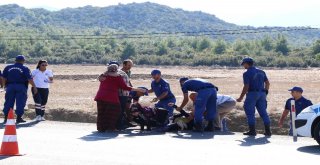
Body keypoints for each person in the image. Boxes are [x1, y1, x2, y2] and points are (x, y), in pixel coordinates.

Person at [94, 64, 145, 132]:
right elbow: (125, 87)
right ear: (116, 69)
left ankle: (101, 128)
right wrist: (138, 89)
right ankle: (111, 127)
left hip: (100, 96)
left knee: (101, 113)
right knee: (115, 111)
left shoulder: (104, 75)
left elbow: (100, 78)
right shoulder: (118, 77)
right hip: (111, 97)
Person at [236, 57, 271, 136]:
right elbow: (267, 83)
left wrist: (241, 97)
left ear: (246, 63)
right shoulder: (262, 71)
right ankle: (268, 131)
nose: (243, 66)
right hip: (262, 94)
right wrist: (265, 92)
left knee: (250, 113)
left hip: (252, 94)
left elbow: (246, 86)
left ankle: (252, 131)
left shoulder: (246, 73)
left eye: (243, 64)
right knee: (264, 113)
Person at [2, 55, 38, 124]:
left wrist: (4, 86)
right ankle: (19, 118)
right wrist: (34, 86)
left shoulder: (8, 67)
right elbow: (29, 79)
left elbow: (4, 78)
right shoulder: (25, 68)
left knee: (8, 101)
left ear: (15, 60)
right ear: (23, 61)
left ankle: (6, 118)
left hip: (10, 86)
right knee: (20, 102)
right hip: (21, 86)